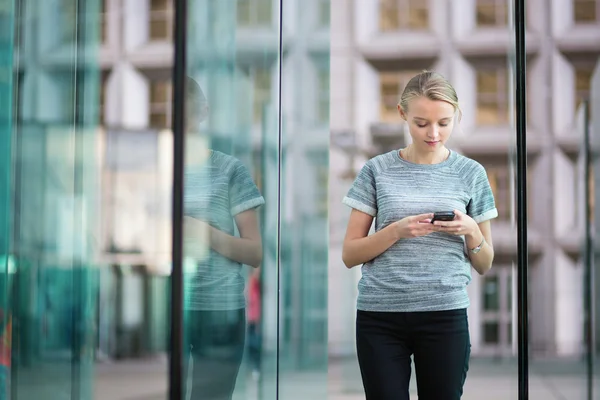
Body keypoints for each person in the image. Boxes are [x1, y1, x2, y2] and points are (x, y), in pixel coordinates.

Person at [342, 70, 497, 400]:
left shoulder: (472, 174)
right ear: (402, 114)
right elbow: (350, 254)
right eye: (422, 123)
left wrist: (471, 230)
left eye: (444, 122)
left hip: (444, 317)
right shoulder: (375, 170)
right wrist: (396, 230)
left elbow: (484, 263)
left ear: (455, 114)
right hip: (379, 318)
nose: (434, 133)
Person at [182, 76, 265, 400]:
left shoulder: (229, 170)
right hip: (169, 309)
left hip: (220, 311)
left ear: (203, 112)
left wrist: (202, 233)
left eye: (186, 114)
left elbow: (254, 253)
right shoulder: (154, 166)